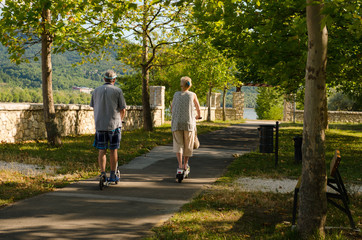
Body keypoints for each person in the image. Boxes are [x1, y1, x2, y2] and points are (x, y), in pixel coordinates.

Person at [90, 70, 126, 182]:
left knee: (102, 149)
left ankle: (102, 173)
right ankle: (113, 174)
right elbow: (123, 109)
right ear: (114, 80)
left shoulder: (96, 91)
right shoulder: (118, 91)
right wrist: (121, 120)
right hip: (114, 124)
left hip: (100, 124)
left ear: (104, 79)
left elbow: (93, 106)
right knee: (113, 149)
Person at [171, 76, 201, 173]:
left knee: (178, 144)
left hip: (177, 123)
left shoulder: (176, 94)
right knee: (188, 144)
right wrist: (198, 116)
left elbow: (172, 108)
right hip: (189, 124)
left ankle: (179, 165)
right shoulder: (192, 95)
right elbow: (198, 107)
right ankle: (185, 165)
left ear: (181, 84)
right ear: (190, 85)